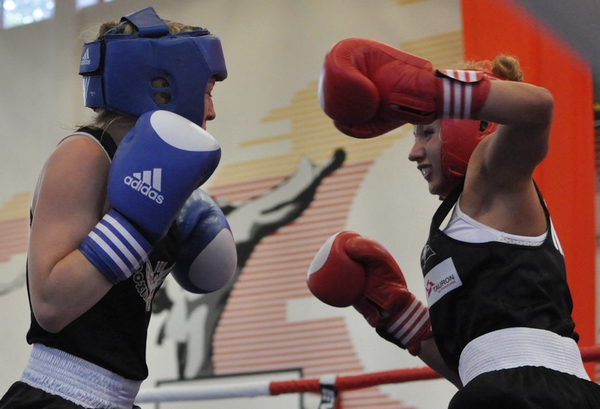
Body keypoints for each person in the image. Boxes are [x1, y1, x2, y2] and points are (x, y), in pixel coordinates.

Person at [307, 37, 600, 408]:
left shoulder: (494, 175)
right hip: (501, 392)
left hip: (541, 391)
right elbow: (472, 370)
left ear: (479, 124)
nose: (414, 152)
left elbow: (539, 108)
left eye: (427, 132)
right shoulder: (452, 225)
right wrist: (399, 316)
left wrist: (432, 88)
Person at [0, 6, 237, 409]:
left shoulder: (163, 180)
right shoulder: (84, 156)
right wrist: (134, 227)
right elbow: (50, 306)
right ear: (165, 87)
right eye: (207, 90)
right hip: (57, 394)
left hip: (116, 399)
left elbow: (208, 275)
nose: (211, 110)